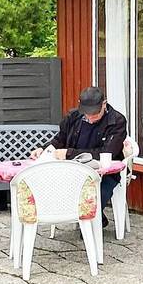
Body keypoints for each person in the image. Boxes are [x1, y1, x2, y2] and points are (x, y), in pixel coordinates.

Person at [30, 87, 127, 227]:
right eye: (87, 115)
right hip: (72, 170)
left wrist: (69, 153)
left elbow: (108, 153)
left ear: (104, 104)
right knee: (52, 185)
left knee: (96, 193)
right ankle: (88, 218)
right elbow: (60, 140)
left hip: (106, 172)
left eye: (95, 114)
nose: (91, 118)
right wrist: (44, 149)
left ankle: (91, 222)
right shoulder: (73, 117)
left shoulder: (117, 121)